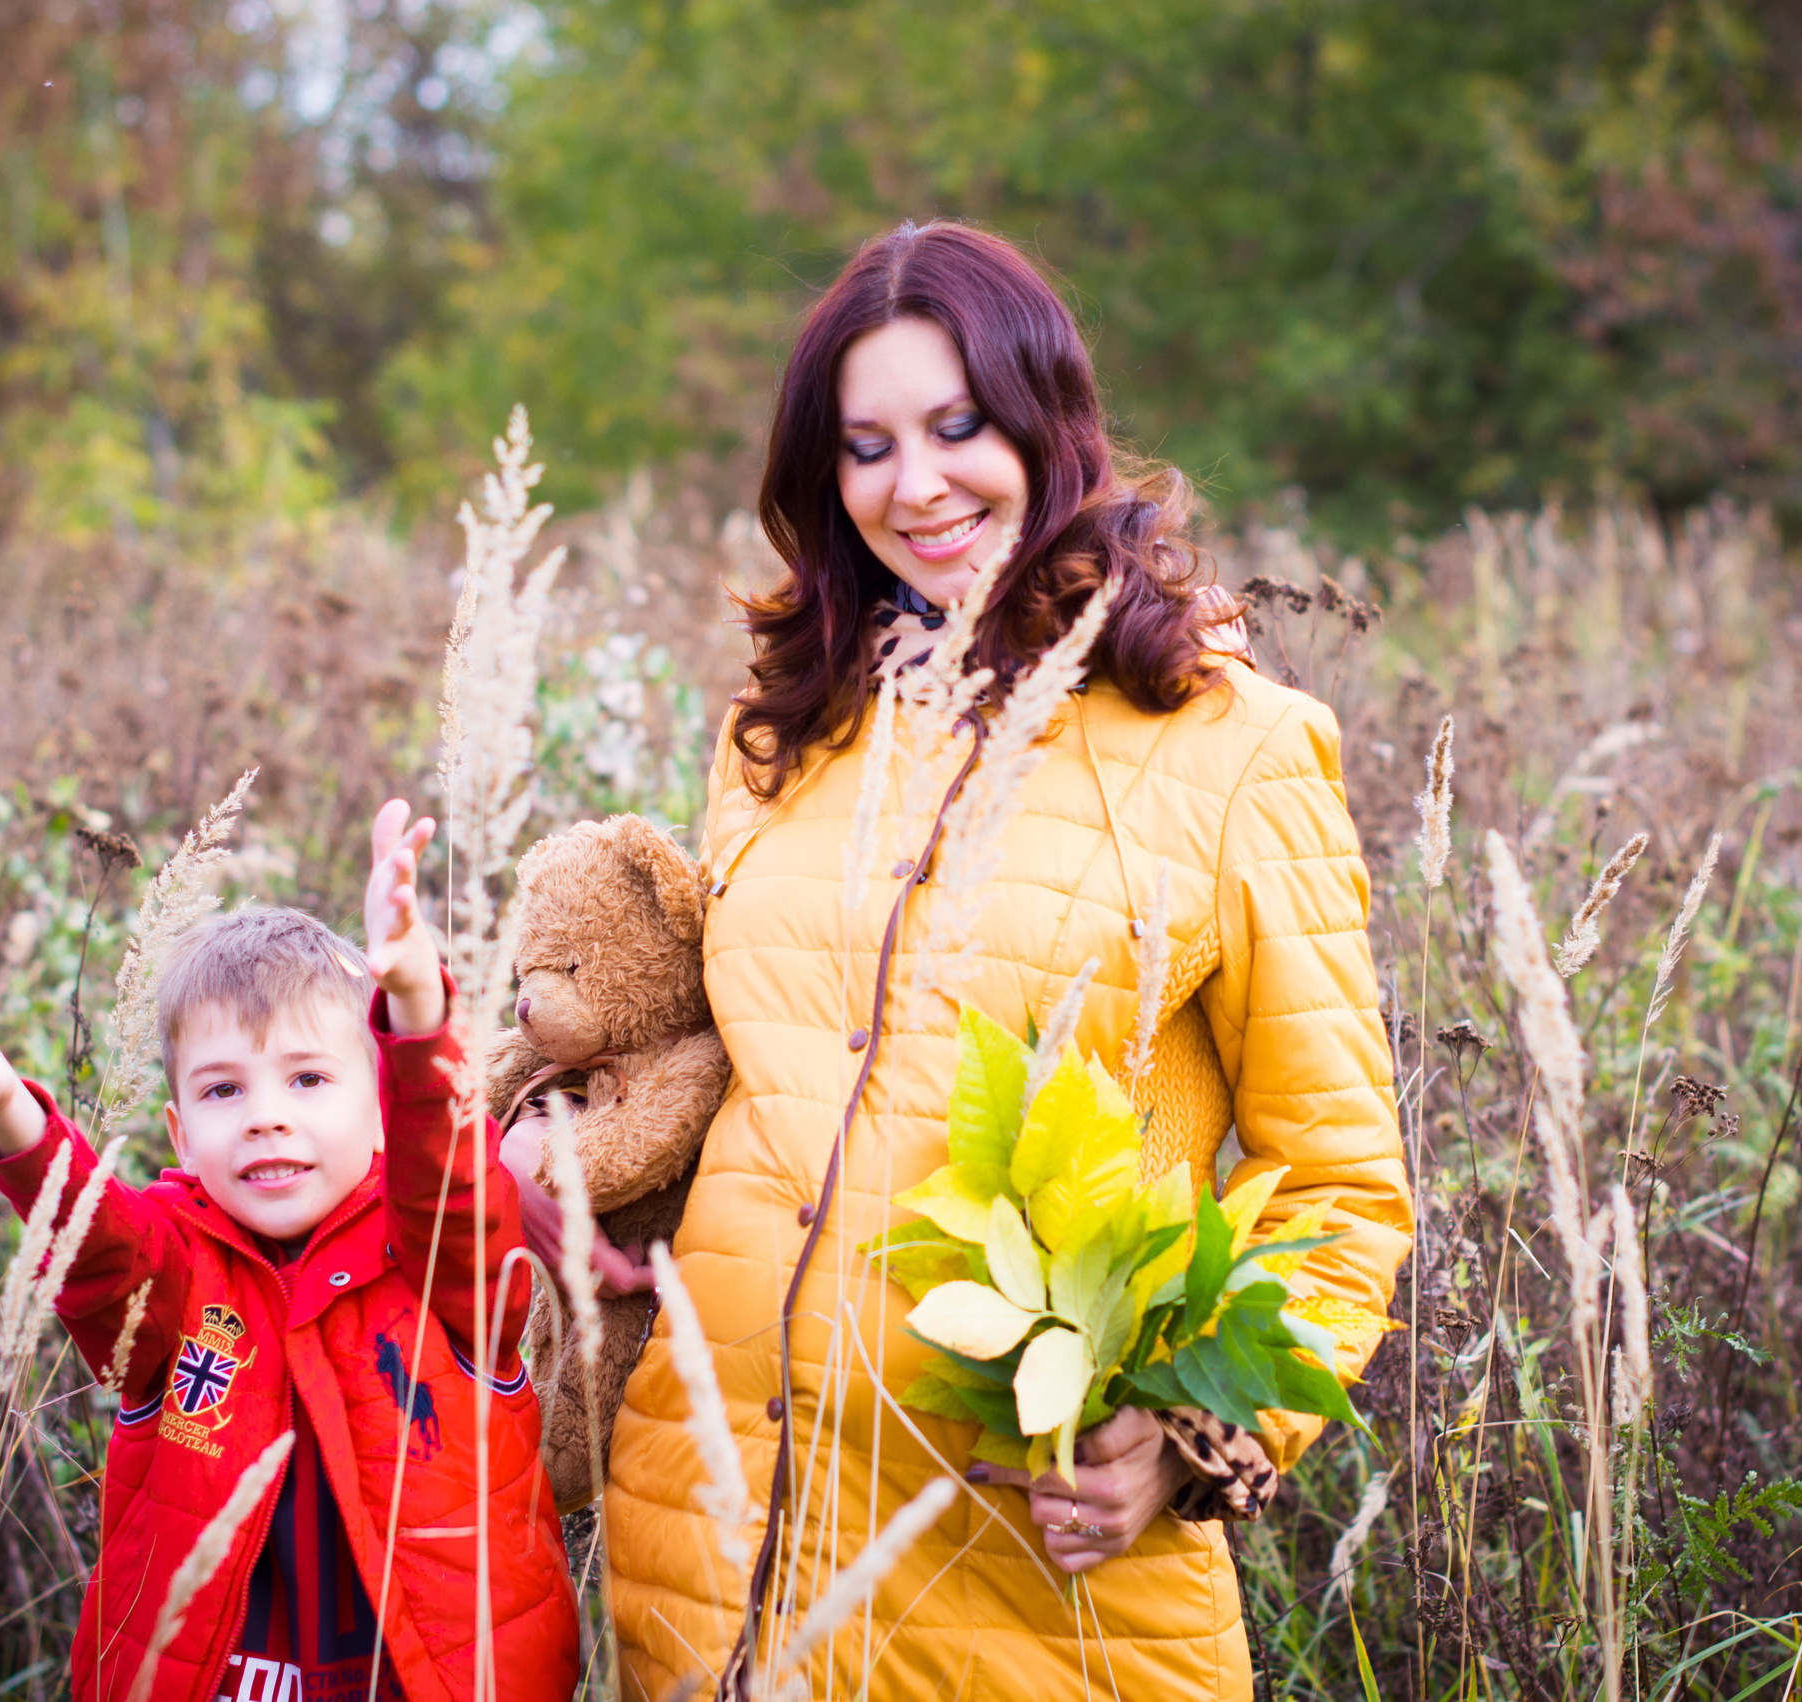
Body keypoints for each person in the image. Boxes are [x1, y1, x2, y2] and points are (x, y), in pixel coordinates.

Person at [601, 221, 1414, 1699]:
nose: (916, 486)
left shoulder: (1231, 744)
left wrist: (1183, 1437)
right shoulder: (780, 726)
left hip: (1029, 1578)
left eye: (958, 425)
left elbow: (1340, 1178)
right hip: (713, 1548)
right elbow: (747, 1074)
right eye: (864, 445)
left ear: (1049, 420)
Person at [0, 802, 580, 1702]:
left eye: (307, 1077)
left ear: (383, 1108)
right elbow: (102, 1250)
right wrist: (7, 1109)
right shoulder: (175, 1265)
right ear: (179, 1133)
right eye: (224, 1088)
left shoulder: (435, 1263)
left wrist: (416, 1010)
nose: (265, 1113)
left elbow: (449, 1179)